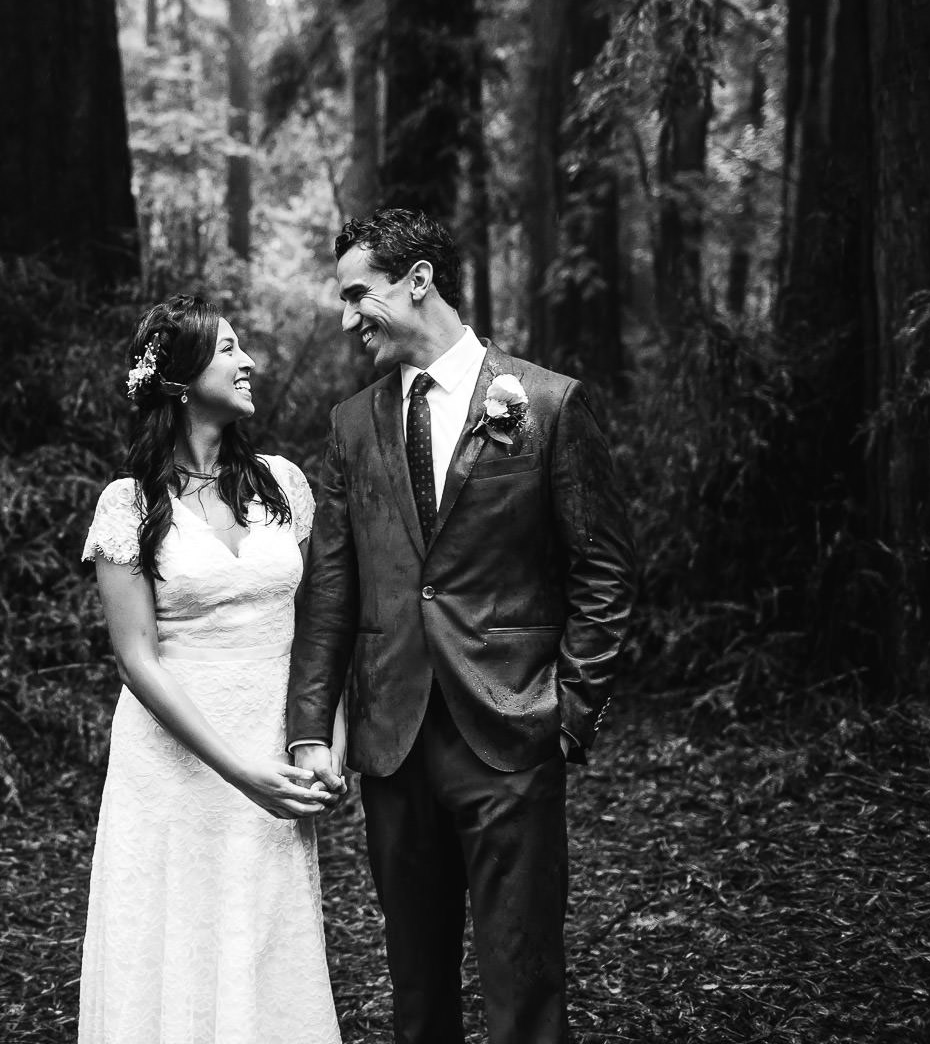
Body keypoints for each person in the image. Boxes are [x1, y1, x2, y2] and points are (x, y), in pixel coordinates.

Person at [287, 209, 635, 1044]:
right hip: (393, 739)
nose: (347, 318)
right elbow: (332, 590)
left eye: (358, 294)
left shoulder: (548, 404)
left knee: (524, 983)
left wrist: (571, 712)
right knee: (417, 990)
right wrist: (309, 729)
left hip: (512, 731)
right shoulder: (350, 426)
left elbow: (603, 569)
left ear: (419, 281)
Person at [77, 294, 343, 1044]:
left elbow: (320, 627)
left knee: (262, 935)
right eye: (228, 349)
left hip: (270, 740)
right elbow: (137, 661)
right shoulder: (128, 505)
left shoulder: (283, 485)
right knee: (170, 938)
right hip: (172, 765)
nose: (247, 360)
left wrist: (323, 741)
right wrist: (238, 771)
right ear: (182, 378)